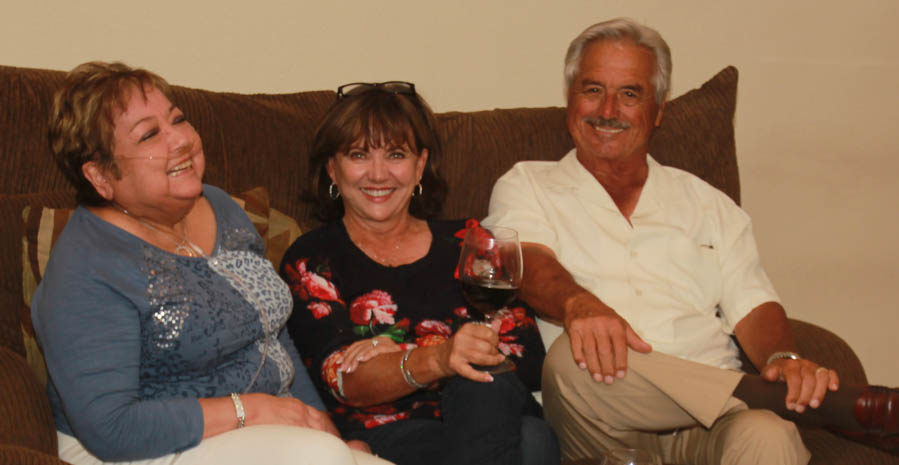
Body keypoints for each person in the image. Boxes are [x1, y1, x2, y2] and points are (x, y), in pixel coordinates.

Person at [484, 18, 898, 465]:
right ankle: (776, 399)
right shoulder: (527, 183)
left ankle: (760, 404)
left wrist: (784, 356)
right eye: (592, 89)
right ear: (570, 100)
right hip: (599, 420)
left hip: (712, 426)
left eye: (629, 94)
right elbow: (527, 261)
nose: (608, 109)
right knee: (572, 357)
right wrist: (578, 305)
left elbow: (754, 304)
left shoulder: (708, 204)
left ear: (658, 110)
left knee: (768, 435)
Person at [31, 61, 389, 465]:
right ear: (100, 176)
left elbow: (274, 339)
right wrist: (251, 410)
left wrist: (328, 428)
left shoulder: (219, 206)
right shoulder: (87, 267)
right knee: (318, 456)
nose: (180, 140)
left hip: (261, 432)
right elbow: (113, 428)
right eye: (150, 134)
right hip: (135, 448)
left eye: (178, 120)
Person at [279, 81, 560, 465]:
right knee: (531, 441)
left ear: (420, 165)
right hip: (391, 434)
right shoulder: (312, 260)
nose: (378, 174)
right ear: (332, 168)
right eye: (358, 154)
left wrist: (405, 355)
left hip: (495, 409)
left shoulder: (469, 241)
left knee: (484, 387)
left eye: (396, 154)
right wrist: (444, 356)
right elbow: (345, 381)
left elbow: (527, 360)